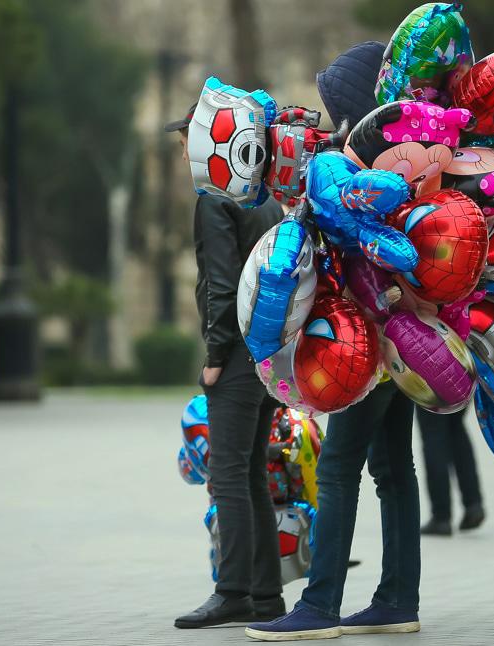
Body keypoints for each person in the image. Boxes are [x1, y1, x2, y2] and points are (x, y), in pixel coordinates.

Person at [247, 41, 424, 641]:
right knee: (394, 469)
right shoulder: (402, 164)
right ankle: (398, 598)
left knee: (340, 467)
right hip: (406, 340)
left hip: (363, 344)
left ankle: (319, 606)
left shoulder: (356, 171)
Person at [169, 103, 289, 629]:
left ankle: (233, 591)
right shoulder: (263, 195)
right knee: (252, 472)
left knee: (227, 475)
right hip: (269, 350)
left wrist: (215, 357)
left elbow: (221, 282)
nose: (183, 154)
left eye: (186, 142)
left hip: (237, 353)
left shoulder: (214, 198)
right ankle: (266, 595)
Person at [417, 407, 485, 536]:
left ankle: (441, 516)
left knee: (433, 432)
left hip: (432, 394)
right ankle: (473, 504)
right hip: (460, 393)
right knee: (456, 427)